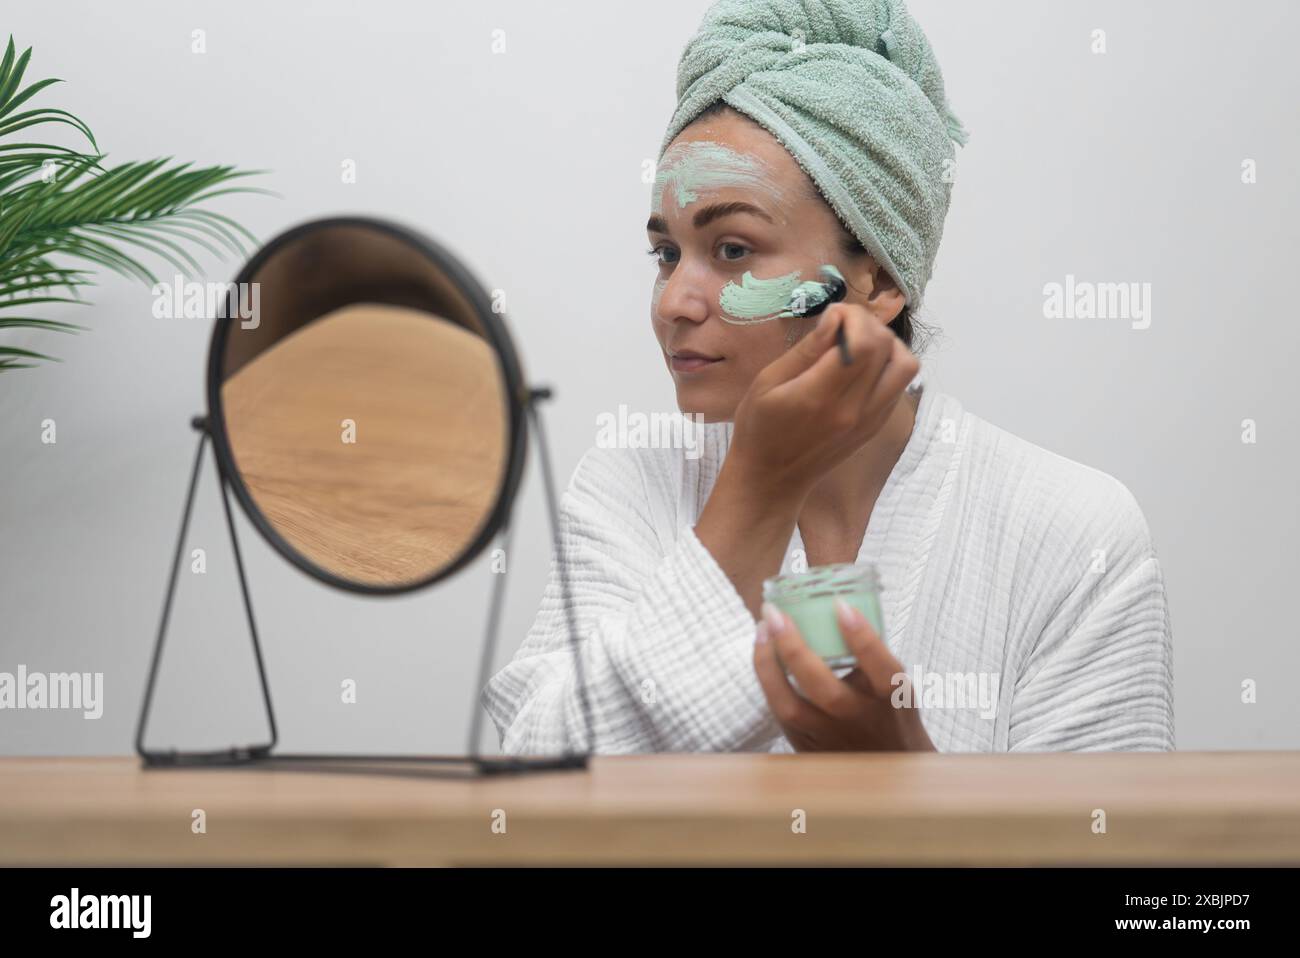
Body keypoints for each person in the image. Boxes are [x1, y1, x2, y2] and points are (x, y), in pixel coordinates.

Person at [482, 0, 1173, 754]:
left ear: (876, 282)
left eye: (734, 249)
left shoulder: (1071, 533)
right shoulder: (627, 492)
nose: (675, 301)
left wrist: (902, 786)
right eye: (667, 254)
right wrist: (758, 487)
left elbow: (1115, 855)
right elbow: (543, 780)